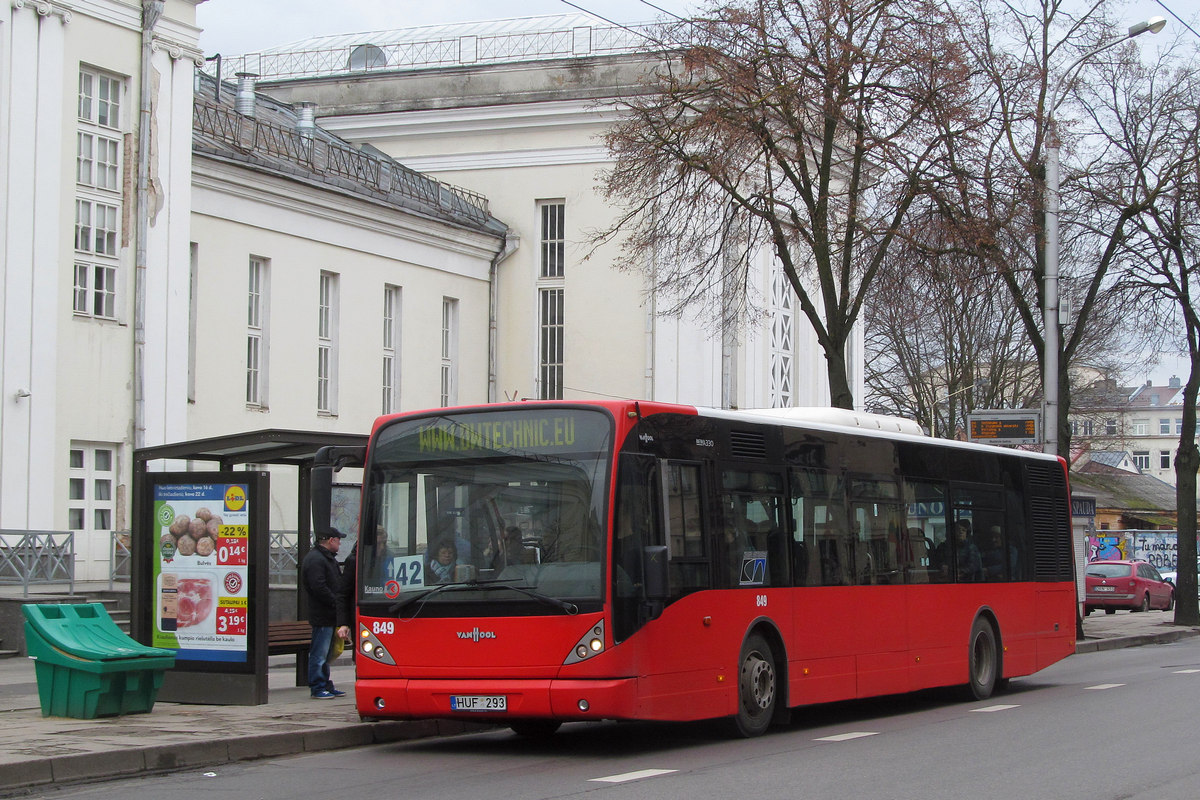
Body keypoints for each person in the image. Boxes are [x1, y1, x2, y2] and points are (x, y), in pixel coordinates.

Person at [301, 528, 346, 699]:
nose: (340, 543)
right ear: (330, 540)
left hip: (328, 614)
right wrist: (336, 602)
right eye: (338, 540)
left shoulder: (325, 559)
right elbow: (318, 587)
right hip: (323, 614)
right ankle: (317, 686)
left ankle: (325, 684)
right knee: (319, 653)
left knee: (326, 653)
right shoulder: (317, 559)